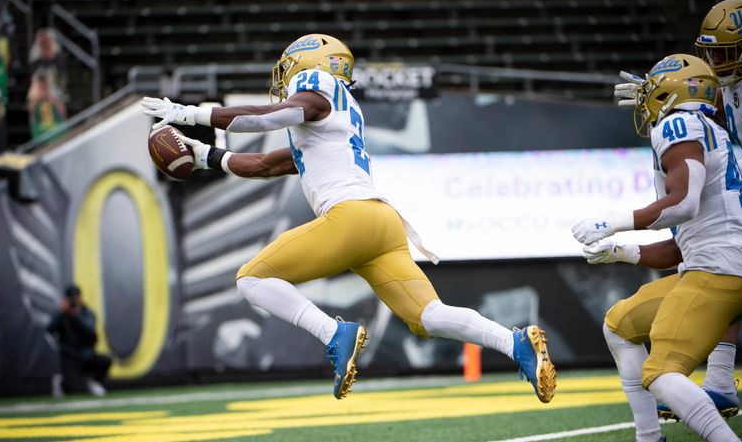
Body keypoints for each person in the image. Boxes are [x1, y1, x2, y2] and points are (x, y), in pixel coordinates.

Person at [141, 34, 556, 401]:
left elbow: (268, 118)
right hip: (382, 224)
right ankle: (514, 342)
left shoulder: (317, 88)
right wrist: (206, 156)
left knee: (251, 278)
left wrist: (190, 114)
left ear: (310, 65)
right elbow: (266, 164)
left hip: (352, 219)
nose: (284, 80)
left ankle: (332, 334)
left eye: (289, 69)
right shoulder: (333, 120)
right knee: (428, 315)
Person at [573, 54, 742, 442]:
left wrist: (613, 221)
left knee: (662, 371)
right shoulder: (710, 134)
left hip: (719, 270)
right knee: (619, 324)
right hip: (720, 265)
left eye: (652, 87)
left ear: (673, 91)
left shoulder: (678, 126)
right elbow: (680, 244)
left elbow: (683, 204)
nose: (644, 98)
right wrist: (621, 251)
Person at [614, 0, 742, 421]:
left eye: (726, 52)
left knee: (723, 259)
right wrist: (661, 90)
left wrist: (727, 173)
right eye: (710, 51)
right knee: (721, 260)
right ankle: (718, 381)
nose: (715, 61)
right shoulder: (731, 83)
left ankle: (718, 381)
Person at [46, 285, 111, 397]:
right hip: (70, 357)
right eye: (71, 298)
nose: (73, 301)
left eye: (76, 297)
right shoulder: (62, 314)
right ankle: (61, 381)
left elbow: (89, 333)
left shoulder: (87, 313)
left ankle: (93, 381)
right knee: (76, 390)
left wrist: (75, 316)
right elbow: (49, 329)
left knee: (105, 360)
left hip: (86, 355)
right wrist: (62, 313)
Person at [29, 29, 67, 102]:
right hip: (39, 89)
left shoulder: (57, 56)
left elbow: (61, 76)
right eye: (42, 43)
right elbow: (33, 72)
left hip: (54, 88)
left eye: (46, 42)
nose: (44, 44)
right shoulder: (35, 55)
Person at [27, 70, 67, 139]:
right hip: (40, 127)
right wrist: (38, 98)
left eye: (44, 83)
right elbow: (31, 112)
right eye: (40, 83)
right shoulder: (33, 95)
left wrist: (52, 99)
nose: (43, 85)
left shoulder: (54, 93)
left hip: (55, 124)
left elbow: (63, 111)